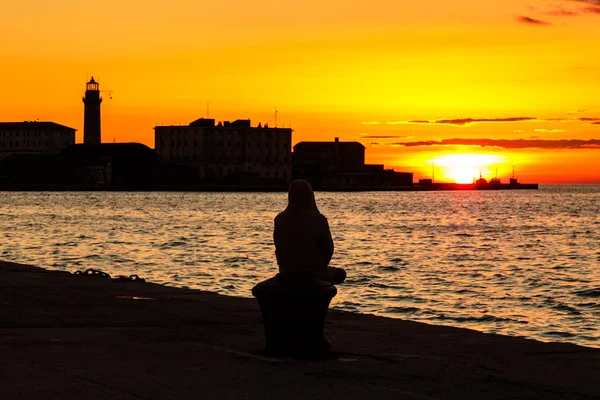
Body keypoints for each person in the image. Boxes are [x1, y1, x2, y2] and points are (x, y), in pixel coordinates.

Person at [273, 179, 346, 285]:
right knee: (341, 274)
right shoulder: (319, 219)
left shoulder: (279, 219)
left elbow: (278, 246)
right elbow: (328, 250)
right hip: (313, 271)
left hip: (286, 271)